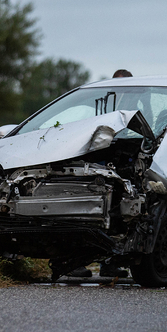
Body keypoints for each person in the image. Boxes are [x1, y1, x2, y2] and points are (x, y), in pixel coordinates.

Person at [66, 68, 132, 279]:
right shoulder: (101, 107)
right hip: (95, 168)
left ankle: (108, 264)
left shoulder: (133, 110)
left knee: (113, 219)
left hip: (119, 170)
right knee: (83, 216)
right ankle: (73, 263)